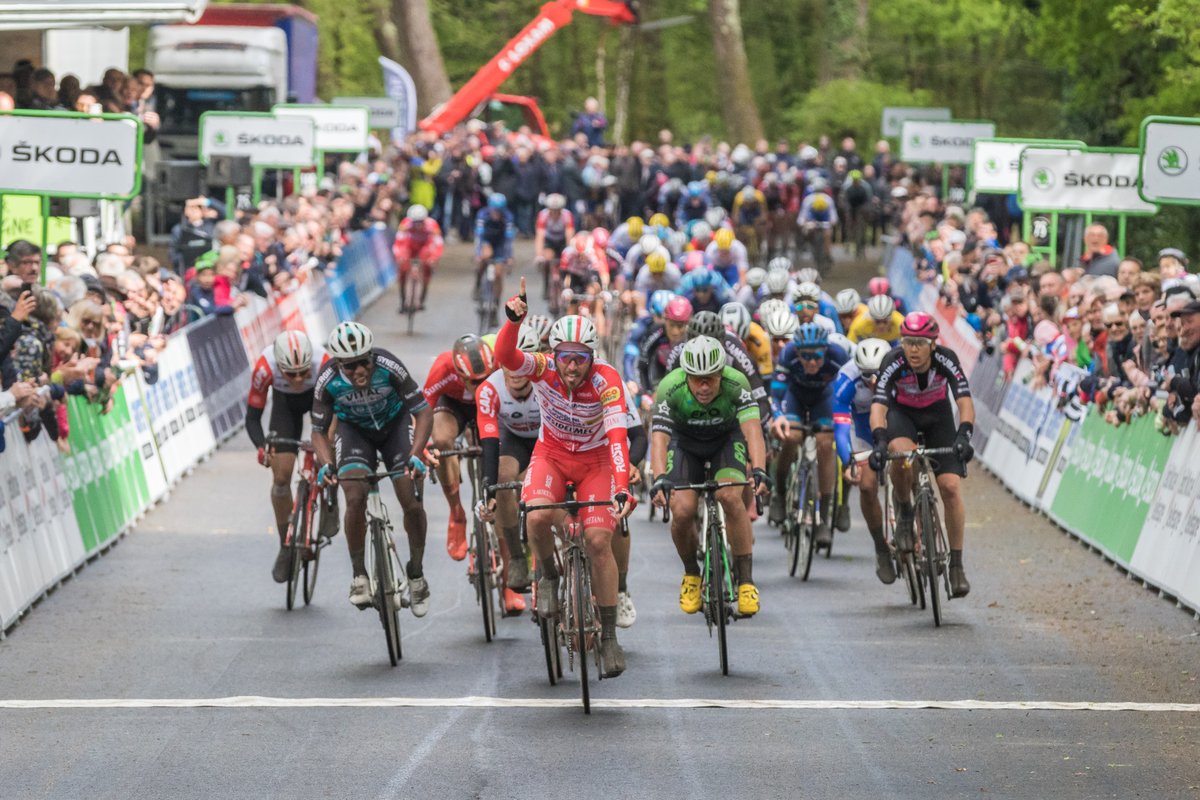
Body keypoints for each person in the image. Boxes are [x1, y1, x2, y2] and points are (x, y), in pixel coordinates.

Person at [495, 281, 635, 678]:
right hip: (552, 456)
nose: (571, 367)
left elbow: (618, 437)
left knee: (597, 540)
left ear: (592, 356)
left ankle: (608, 638)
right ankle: (550, 575)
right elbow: (505, 355)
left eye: (580, 358)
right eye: (564, 359)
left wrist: (622, 485)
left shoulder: (607, 381)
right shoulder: (542, 367)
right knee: (537, 517)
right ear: (553, 355)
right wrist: (513, 321)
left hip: (595, 463)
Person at [312, 322, 434, 613]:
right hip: (355, 432)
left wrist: (416, 454)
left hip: (395, 427)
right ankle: (359, 576)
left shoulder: (388, 365)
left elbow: (423, 412)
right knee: (353, 496)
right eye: (350, 366)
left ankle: (416, 573)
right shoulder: (328, 379)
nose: (359, 371)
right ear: (339, 363)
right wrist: (327, 464)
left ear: (372, 357)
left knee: (411, 502)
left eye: (363, 363)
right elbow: (317, 431)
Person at [650, 336, 769, 616]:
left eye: (710, 379)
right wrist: (659, 477)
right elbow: (659, 439)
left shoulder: (736, 382)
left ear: (721, 373)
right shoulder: (671, 386)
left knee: (730, 496)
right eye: (697, 379)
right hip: (685, 444)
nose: (703, 386)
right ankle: (692, 573)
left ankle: (746, 582)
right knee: (682, 509)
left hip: (725, 440)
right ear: (687, 374)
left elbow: (753, 430)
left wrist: (761, 469)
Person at [868, 312, 975, 598]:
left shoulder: (947, 358)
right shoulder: (894, 360)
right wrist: (879, 440)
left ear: (933, 345)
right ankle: (904, 513)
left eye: (919, 343)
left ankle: (956, 565)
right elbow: (879, 406)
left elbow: (964, 400)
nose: (913, 349)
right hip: (903, 416)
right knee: (902, 456)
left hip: (938, 417)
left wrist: (964, 434)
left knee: (951, 488)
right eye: (907, 342)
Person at [245, 331, 333, 582]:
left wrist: (329, 446)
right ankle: (286, 545)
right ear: (278, 365)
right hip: (286, 407)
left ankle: (331, 501)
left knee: (328, 454)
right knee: (281, 479)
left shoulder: (324, 362)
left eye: (303, 372)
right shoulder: (264, 368)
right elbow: (252, 417)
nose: (297, 379)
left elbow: (338, 411)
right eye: (290, 373)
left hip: (320, 401)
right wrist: (262, 447)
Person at [476, 323, 544, 616]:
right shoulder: (489, 389)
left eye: (522, 362)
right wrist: (488, 488)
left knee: (535, 483)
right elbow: (489, 443)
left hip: (547, 437)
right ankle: (516, 557)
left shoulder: (549, 381)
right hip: (513, 438)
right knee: (504, 479)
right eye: (509, 363)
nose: (515, 372)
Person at [769, 322, 850, 544]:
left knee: (825, 444)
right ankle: (780, 493)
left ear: (825, 350)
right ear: (797, 352)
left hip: (824, 398)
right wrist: (779, 417)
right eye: (805, 357)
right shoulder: (787, 354)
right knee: (791, 437)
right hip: (795, 397)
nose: (811, 362)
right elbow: (776, 395)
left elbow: (848, 393)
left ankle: (823, 519)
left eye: (816, 356)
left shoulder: (838, 355)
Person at [424, 335, 498, 562]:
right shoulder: (443, 367)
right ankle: (456, 512)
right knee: (443, 441)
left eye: (485, 378)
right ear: (458, 372)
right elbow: (423, 409)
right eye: (473, 381)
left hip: (489, 406)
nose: (479, 385)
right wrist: (424, 445)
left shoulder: (499, 363)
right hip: (453, 405)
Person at [833, 338, 894, 583]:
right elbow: (840, 427)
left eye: (878, 375)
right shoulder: (846, 379)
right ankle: (880, 546)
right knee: (867, 486)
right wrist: (847, 461)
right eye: (867, 376)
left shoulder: (899, 371)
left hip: (894, 428)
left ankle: (915, 518)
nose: (873, 382)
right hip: (863, 434)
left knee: (911, 467)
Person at [392, 204, 444, 311]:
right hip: (410, 246)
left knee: (427, 265)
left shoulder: (432, 225)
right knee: (402, 268)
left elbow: (438, 243)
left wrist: (434, 257)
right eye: (415, 222)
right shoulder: (405, 223)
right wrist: (399, 256)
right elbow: (398, 242)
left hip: (424, 246)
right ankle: (402, 301)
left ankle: (422, 298)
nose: (417, 225)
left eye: (420, 222)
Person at [473, 193, 515, 301]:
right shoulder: (482, 215)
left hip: (500, 243)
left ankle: (496, 302)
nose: (496, 214)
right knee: (485, 255)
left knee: (498, 273)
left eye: (499, 211)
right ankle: (478, 281)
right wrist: (478, 253)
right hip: (486, 241)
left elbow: (509, 240)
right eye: (494, 211)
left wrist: (509, 257)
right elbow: (479, 236)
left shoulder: (508, 217)